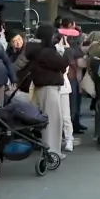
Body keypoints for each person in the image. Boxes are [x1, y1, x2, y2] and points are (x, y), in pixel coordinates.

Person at [26, 24, 70, 159]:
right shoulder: (46, 52)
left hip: (43, 87)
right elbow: (63, 63)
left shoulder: (37, 50)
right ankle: (52, 152)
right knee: (53, 121)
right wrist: (67, 50)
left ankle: (51, 150)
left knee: (50, 120)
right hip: (49, 87)